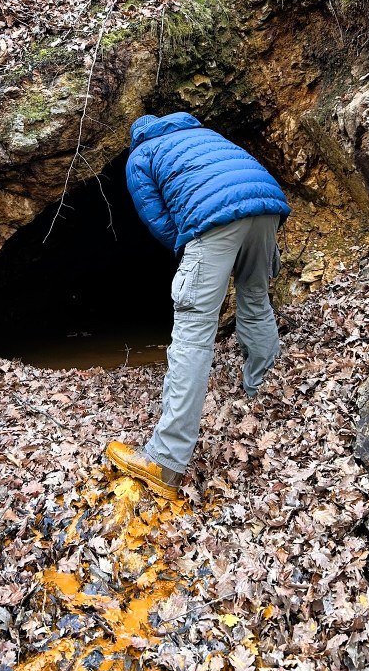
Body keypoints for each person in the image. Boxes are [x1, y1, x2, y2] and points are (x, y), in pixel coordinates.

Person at [106, 112, 290, 499]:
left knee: (193, 333)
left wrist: (191, 250)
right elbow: (238, 175)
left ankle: (166, 460)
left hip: (213, 219)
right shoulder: (204, 133)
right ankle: (265, 394)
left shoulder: (141, 156)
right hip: (267, 207)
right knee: (255, 300)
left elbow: (157, 218)